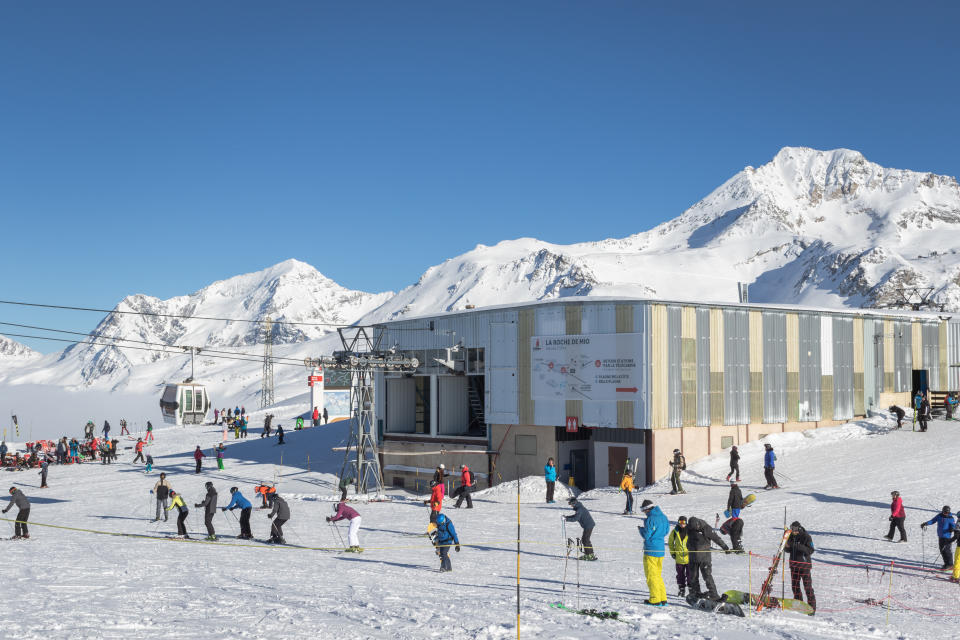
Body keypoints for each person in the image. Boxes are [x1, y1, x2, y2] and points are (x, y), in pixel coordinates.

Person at [685, 515, 729, 601]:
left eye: (696, 527)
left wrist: (725, 547)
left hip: (704, 557)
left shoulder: (706, 528)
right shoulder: (689, 528)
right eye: (693, 528)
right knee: (693, 577)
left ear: (698, 524)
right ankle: (696, 593)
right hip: (693, 556)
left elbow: (716, 538)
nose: (696, 529)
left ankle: (714, 594)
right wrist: (689, 547)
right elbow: (688, 540)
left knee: (707, 575)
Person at [637, 499, 669, 606]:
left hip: (651, 550)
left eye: (643, 510)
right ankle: (663, 598)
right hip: (660, 550)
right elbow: (666, 531)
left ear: (647, 509)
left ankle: (655, 599)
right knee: (658, 575)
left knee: (651, 576)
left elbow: (646, 535)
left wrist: (641, 529)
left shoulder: (650, 519)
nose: (644, 513)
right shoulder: (663, 517)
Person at [786, 521, 816, 614]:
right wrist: (786, 546)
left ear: (799, 528)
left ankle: (812, 608)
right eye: (792, 528)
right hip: (794, 565)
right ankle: (799, 604)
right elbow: (788, 550)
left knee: (807, 587)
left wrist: (797, 545)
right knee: (795, 587)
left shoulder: (806, 536)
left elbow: (810, 550)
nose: (793, 531)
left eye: (795, 529)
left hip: (804, 566)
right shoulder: (790, 536)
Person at [922, 505, 956, 570]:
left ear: (948, 512)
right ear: (943, 511)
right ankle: (946, 563)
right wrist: (926, 523)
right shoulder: (939, 516)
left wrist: (952, 529)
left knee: (947, 551)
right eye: (944, 512)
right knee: (942, 550)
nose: (946, 514)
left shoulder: (950, 518)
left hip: (947, 537)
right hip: (940, 536)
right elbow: (933, 520)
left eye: (947, 513)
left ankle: (950, 564)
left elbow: (954, 526)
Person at [668, 516, 691, 596]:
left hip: (689, 558)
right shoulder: (675, 532)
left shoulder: (690, 531)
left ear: (686, 523)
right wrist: (673, 553)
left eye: (683, 522)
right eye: (680, 522)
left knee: (690, 574)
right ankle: (681, 589)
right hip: (679, 558)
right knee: (680, 575)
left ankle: (691, 589)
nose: (682, 524)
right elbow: (670, 543)